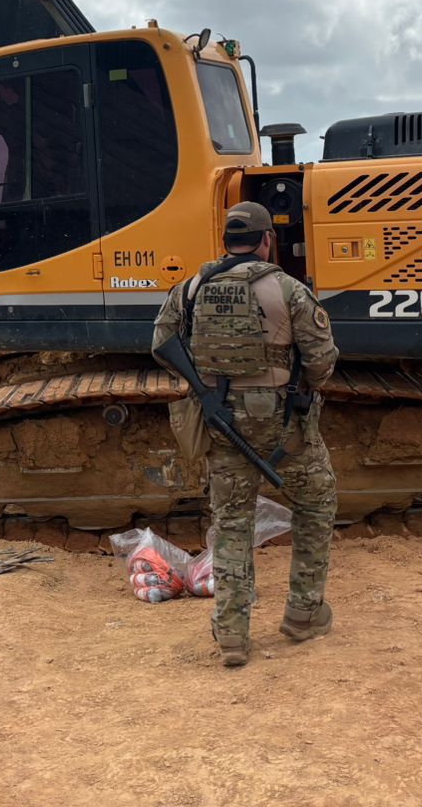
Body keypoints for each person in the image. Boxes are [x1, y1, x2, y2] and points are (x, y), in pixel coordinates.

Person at [151, 201, 339, 667]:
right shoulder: (289, 290)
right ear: (265, 240)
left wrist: (208, 387)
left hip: (223, 424)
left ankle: (233, 635)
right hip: (286, 425)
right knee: (316, 503)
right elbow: (321, 362)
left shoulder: (191, 289)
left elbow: (161, 344)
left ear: (225, 241)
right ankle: (303, 613)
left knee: (232, 526)